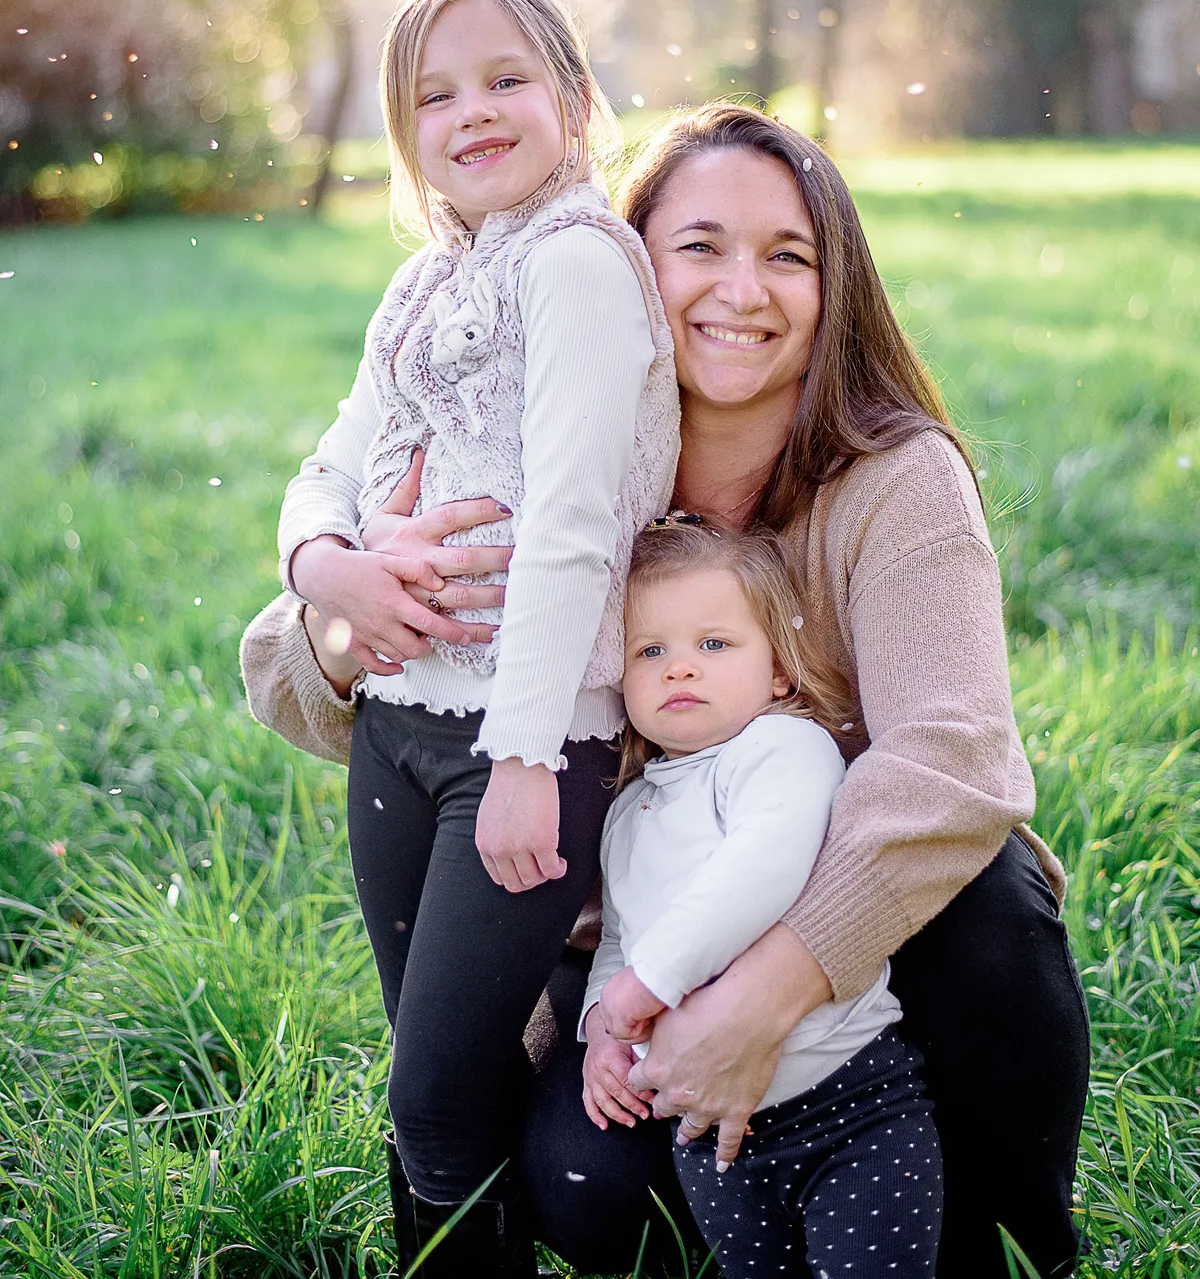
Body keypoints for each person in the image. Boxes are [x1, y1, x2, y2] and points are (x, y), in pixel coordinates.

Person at [242, 102, 1090, 1279]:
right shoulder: (559, 459)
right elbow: (288, 671)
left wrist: (761, 997)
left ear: (833, 286)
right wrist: (355, 616)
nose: (742, 288)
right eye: (697, 246)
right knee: (582, 1198)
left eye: (787, 255)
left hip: (874, 945)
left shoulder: (893, 480)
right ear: (625, 262)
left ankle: (975, 1219)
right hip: (635, 952)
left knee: (989, 902)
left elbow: (955, 759)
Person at [249, 0, 678, 1275]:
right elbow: (326, 459)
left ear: (577, 100)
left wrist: (525, 753)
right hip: (396, 725)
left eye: (505, 78)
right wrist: (331, 567)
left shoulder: (581, 266)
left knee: (438, 1094)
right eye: (435, 94)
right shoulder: (425, 286)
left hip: (523, 744)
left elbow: (568, 524)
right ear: (406, 137)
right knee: (435, 1068)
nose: (473, 112)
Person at [585, 515, 942, 1279]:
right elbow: (620, 938)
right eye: (652, 651)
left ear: (778, 669)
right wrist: (602, 1033)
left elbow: (764, 865)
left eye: (714, 644)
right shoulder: (627, 814)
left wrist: (651, 982)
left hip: (849, 1104)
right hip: (709, 1130)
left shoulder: (781, 749)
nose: (681, 669)